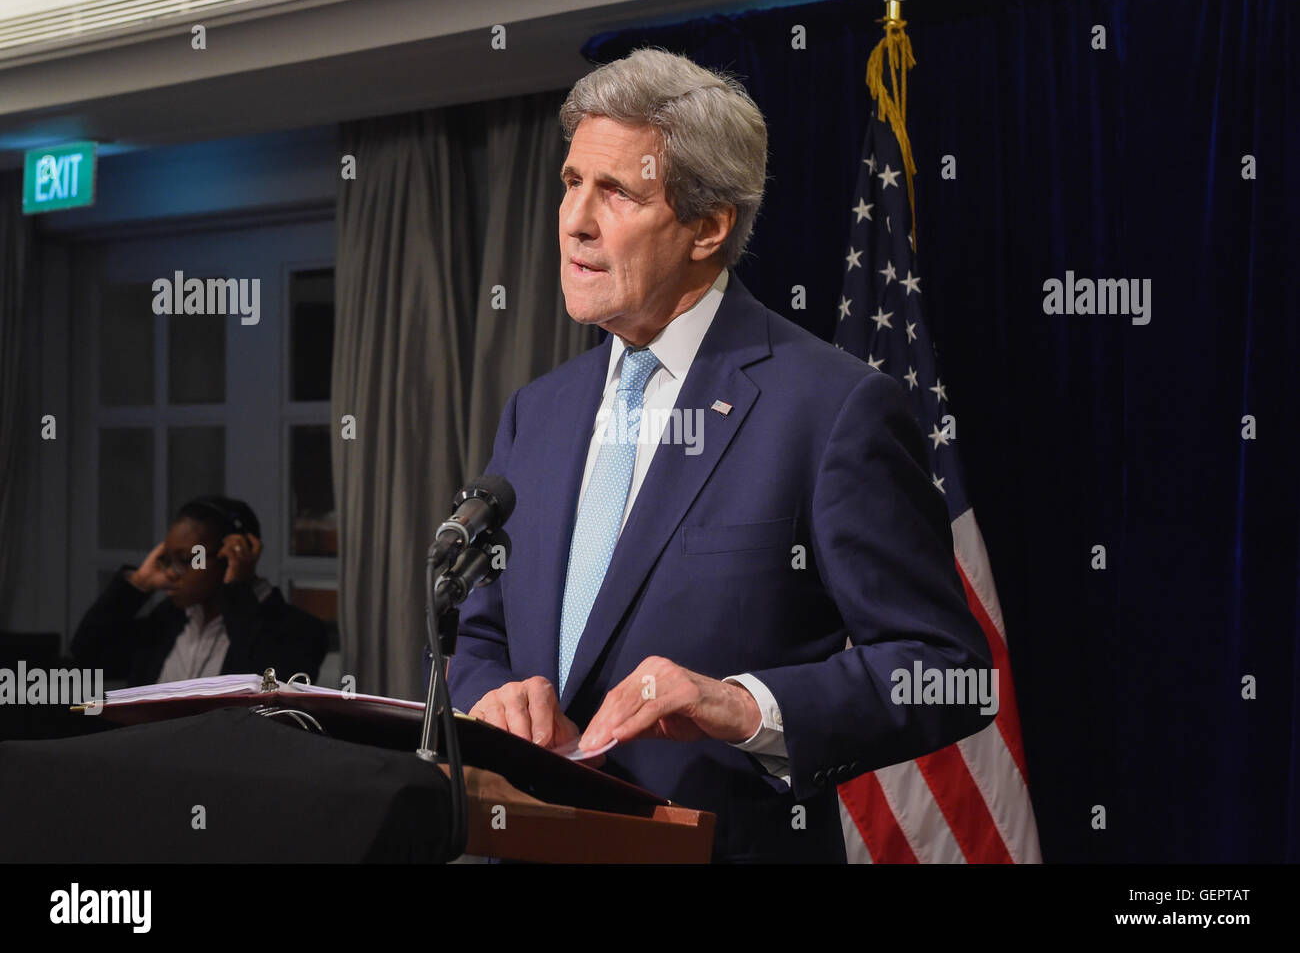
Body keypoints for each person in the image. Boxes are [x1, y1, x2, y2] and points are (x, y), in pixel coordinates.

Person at [446, 48, 995, 862]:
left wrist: (745, 704)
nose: (575, 221)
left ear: (708, 226)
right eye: (571, 183)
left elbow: (948, 669)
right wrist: (494, 696)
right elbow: (480, 633)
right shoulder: (540, 410)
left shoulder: (831, 408)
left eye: (618, 193)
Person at [72, 495, 327, 687]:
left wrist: (237, 588)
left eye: (185, 560)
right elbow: (88, 655)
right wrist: (139, 583)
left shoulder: (298, 631)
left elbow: (267, 694)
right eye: (167, 559)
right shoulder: (168, 620)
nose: (171, 572)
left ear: (231, 556)